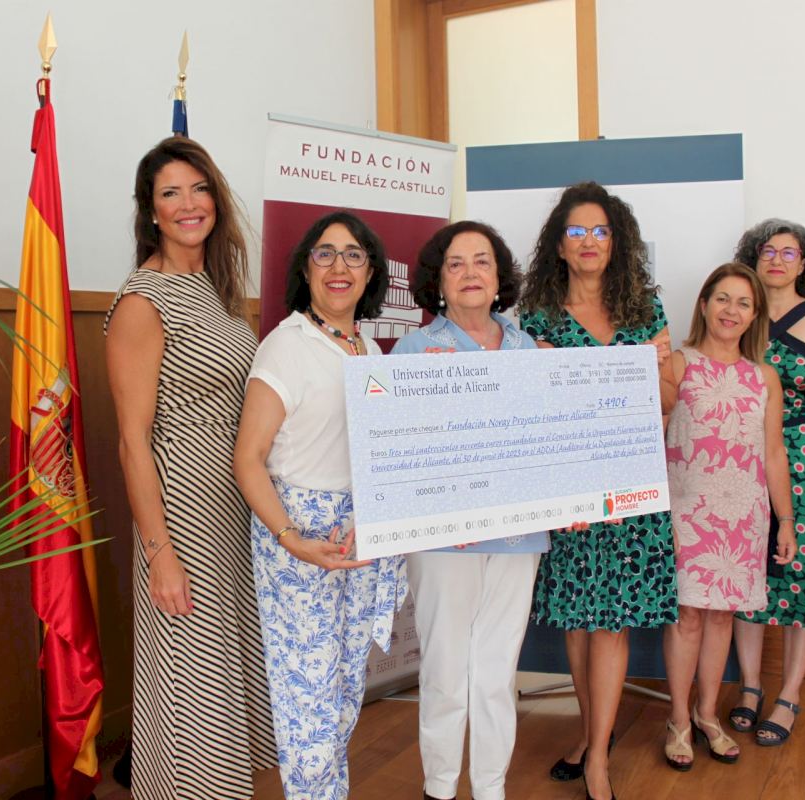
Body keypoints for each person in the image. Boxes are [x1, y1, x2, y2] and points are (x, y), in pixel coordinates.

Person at [103, 137, 276, 799]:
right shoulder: (143, 301)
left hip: (234, 508)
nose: (188, 204)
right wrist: (160, 553)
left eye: (199, 189)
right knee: (193, 678)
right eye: (170, 193)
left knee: (226, 673)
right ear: (150, 211)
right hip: (182, 514)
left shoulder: (215, 289)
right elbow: (132, 442)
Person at [233, 210, 407, 800]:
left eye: (354, 255)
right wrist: (291, 538)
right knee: (307, 702)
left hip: (358, 536)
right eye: (325, 253)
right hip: (299, 539)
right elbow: (248, 459)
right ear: (305, 269)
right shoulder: (286, 347)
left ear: (371, 272)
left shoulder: (369, 350)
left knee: (341, 696)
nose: (339, 266)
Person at [518, 181, 675, 800]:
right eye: (577, 231)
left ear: (617, 242)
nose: (589, 240)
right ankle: (590, 736)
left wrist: (654, 372)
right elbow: (531, 409)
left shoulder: (646, 312)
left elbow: (667, 402)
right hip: (569, 491)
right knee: (579, 622)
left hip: (632, 488)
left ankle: (599, 759)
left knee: (611, 625)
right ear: (559, 245)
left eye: (600, 230)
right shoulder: (536, 318)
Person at [390, 221, 548, 800]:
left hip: (519, 536)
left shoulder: (531, 350)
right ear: (438, 281)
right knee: (445, 668)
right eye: (455, 264)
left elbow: (551, 442)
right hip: (443, 538)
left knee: (497, 670)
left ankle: (490, 788)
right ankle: (439, 787)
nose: (470, 273)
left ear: (499, 275)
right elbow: (396, 448)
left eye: (482, 261)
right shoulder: (412, 351)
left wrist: (574, 494)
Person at [660, 262, 797, 771]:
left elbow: (774, 453)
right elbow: (653, 440)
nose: (731, 311)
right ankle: (678, 719)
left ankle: (707, 714)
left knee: (722, 615)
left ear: (754, 315)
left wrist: (786, 520)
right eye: (722, 298)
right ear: (704, 304)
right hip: (687, 510)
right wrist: (660, 514)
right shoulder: (678, 365)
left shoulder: (764, 377)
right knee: (688, 616)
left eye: (743, 303)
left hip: (744, 513)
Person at [728, 219, 805, 746]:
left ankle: (790, 693)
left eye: (789, 252)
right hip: (742, 458)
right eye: (768, 250)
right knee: (747, 573)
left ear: (804, 264)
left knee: (802, 573)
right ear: (753, 258)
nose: (776, 259)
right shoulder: (739, 312)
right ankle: (750, 687)